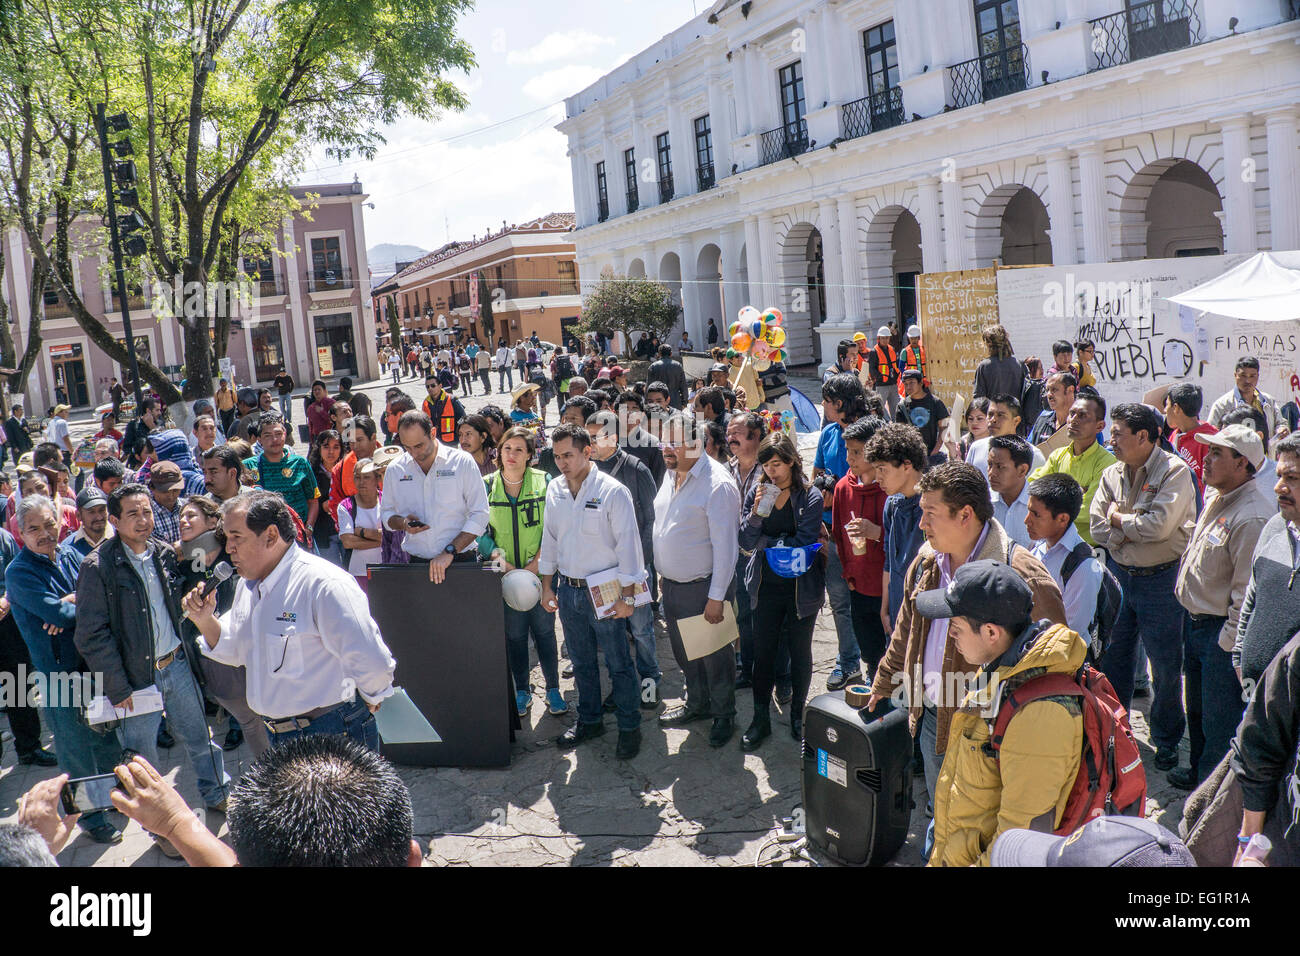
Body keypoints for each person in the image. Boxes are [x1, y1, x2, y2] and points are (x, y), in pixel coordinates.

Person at [866, 462, 1066, 858]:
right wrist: (885, 680)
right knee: (942, 809)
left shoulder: (1022, 576)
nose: (921, 524)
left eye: (930, 513)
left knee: (982, 827)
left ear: (966, 515)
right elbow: (906, 631)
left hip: (993, 735)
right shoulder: (927, 561)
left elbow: (1053, 665)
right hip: (931, 720)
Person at [184, 491, 397, 749]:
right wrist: (205, 620)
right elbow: (238, 650)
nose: (229, 548)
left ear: (271, 535)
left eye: (236, 537)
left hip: (331, 733)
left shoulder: (323, 584)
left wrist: (374, 695)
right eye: (227, 538)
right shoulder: (247, 587)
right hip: (277, 735)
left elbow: (372, 660)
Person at [75, 483, 231, 833]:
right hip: (135, 680)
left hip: (175, 665)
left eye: (147, 511)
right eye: (133, 514)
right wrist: (117, 686)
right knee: (143, 761)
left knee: (199, 737)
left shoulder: (161, 552)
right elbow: (91, 635)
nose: (144, 520)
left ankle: (218, 792)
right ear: (114, 520)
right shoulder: (98, 566)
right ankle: (157, 828)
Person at [919, 560, 1086, 867]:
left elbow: (1019, 843)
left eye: (955, 628)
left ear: (991, 632)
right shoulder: (1001, 668)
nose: (950, 636)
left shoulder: (1040, 718)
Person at [7, 495, 124, 844]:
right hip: (58, 675)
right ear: (20, 533)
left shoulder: (72, 553)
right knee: (75, 751)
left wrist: (71, 603)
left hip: (91, 663)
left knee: (105, 738)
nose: (44, 533)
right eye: (34, 529)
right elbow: (58, 615)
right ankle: (91, 819)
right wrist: (68, 607)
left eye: (49, 524)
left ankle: (114, 799)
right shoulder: (19, 573)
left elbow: (99, 597)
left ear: (60, 522)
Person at [1090, 402, 1197, 770]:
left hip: (1162, 581)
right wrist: (1126, 533)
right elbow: (1096, 527)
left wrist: (1118, 520)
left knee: (1165, 667)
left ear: (1143, 437)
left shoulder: (1174, 472)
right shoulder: (1112, 471)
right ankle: (1116, 734)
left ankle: (1166, 739)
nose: (1112, 440)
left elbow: (1159, 528)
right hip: (1120, 577)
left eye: (1117, 434)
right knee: (1114, 660)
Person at [1169, 424, 1275, 791]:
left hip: (1218, 635)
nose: (1207, 460)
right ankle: (1199, 774)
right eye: (1208, 452)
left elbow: (1245, 591)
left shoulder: (1253, 514)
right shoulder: (1219, 496)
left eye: (1217, 454)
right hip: (1195, 625)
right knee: (1196, 712)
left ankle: (1211, 797)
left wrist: (1228, 645)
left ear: (1243, 464)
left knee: (1218, 721)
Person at [538, 423, 646, 759]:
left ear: (587, 452)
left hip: (607, 591)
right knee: (582, 662)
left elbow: (629, 545)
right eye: (557, 457)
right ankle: (590, 719)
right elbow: (550, 538)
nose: (562, 463)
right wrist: (546, 585)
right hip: (568, 590)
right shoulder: (554, 489)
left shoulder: (612, 491)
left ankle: (630, 727)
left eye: (568, 455)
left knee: (618, 663)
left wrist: (628, 597)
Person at [653, 413, 741, 747]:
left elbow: (727, 548)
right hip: (673, 586)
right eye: (665, 441)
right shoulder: (673, 471)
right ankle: (697, 703)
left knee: (715, 657)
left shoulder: (716, 484)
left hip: (704, 588)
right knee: (686, 655)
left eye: (673, 442)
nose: (666, 448)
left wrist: (716, 597)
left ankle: (723, 715)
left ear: (697, 443)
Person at [738, 433, 826, 750]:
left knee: (800, 651)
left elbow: (803, 543)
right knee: (763, 653)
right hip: (765, 587)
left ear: (790, 461)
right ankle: (760, 718)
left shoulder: (809, 496)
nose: (771, 471)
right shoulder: (757, 491)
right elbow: (745, 541)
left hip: (801, 588)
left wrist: (768, 544)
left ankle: (798, 717)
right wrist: (758, 513)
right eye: (766, 464)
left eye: (777, 464)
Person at [478, 427, 566, 718]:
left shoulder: (545, 482)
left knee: (544, 632)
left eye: (519, 449)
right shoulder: (486, 485)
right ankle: (521, 690)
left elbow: (554, 527)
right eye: (507, 448)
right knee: (514, 636)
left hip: (541, 575)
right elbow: (479, 530)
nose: (511, 455)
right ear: (498, 452)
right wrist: (498, 559)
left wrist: (539, 562)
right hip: (504, 576)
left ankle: (553, 689)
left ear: (530, 455)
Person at [175, 494, 265, 755]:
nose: (183, 520)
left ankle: (242, 725)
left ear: (212, 521)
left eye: (191, 515)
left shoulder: (230, 549)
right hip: (204, 640)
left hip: (238, 637)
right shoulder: (182, 559)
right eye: (181, 516)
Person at [587, 411, 660, 705]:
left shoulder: (636, 469)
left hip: (635, 567)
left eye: (596, 437)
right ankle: (622, 685)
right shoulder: (586, 472)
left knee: (641, 630)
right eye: (587, 436)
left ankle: (650, 680)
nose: (589, 443)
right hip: (600, 570)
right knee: (612, 633)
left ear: (614, 437)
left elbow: (652, 520)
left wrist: (637, 563)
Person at [381, 410, 490, 584]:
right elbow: (386, 515)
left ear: (433, 433)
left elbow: (481, 514)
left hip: (460, 560)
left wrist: (449, 552)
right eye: (407, 447)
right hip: (417, 563)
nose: (413, 453)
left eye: (419, 446)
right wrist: (403, 524)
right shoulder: (395, 469)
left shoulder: (462, 462)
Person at [1233, 432, 1300, 684]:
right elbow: (1252, 598)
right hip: (1258, 698)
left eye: (1291, 478)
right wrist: (1240, 658)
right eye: (1279, 476)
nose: (1278, 487)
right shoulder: (1274, 528)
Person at [832, 417, 890, 682]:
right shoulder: (843, 488)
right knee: (868, 648)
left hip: (887, 588)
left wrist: (876, 532)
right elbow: (838, 537)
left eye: (857, 451)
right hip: (858, 585)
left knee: (889, 651)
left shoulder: (890, 490)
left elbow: (907, 541)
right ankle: (870, 679)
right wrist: (848, 574)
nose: (850, 458)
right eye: (848, 451)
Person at [0, 525, 57, 768]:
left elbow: (16, 573)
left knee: (18, 687)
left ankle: (29, 748)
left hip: (7, 626)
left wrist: (5, 598)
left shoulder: (3, 538)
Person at [1024, 473, 1104, 643]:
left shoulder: (1083, 567)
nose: (1027, 521)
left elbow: (1070, 633)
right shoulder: (1035, 548)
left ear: (1062, 519)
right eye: (1028, 511)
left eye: (1036, 515)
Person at [1028, 393, 1115, 547]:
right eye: (1072, 413)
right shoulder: (1057, 456)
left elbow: (1090, 510)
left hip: (1088, 548)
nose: (1073, 420)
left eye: (1082, 416)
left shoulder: (1106, 463)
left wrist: (1051, 503)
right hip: (1052, 544)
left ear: (1100, 426)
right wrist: (1077, 494)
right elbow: (1033, 489)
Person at [867, 423, 927, 633]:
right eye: (875, 470)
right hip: (895, 611)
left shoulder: (933, 507)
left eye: (882, 469)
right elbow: (889, 561)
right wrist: (885, 609)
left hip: (923, 616)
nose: (877, 478)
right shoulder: (892, 505)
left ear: (907, 465)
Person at [242, 413, 320, 533]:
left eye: (278, 434)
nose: (274, 440)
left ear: (285, 435)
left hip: (299, 533)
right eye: (268, 436)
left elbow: (313, 500)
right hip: (264, 535)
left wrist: (309, 528)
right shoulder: (248, 466)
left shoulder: (300, 463)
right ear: (259, 440)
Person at [965, 394, 1045, 477]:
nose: (993, 420)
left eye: (1000, 415)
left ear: (1016, 421)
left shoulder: (1033, 455)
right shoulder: (977, 448)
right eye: (990, 414)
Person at [336, 458, 385, 592]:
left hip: (385, 569)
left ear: (377, 479)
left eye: (367, 477)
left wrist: (363, 532)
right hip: (357, 572)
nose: (361, 482)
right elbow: (348, 542)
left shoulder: (387, 501)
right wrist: (382, 540)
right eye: (358, 477)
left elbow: (394, 535)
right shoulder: (346, 506)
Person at [1208, 356, 1281, 438]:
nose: (1248, 381)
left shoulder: (1268, 401)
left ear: (1258, 376)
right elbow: (1211, 434)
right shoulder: (1221, 405)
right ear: (1235, 375)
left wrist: (1282, 429)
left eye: (1252, 376)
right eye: (1243, 376)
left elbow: (1281, 423)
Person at [327, 414, 381, 520]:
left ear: (373, 437)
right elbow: (335, 505)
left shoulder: (393, 462)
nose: (355, 446)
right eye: (351, 442)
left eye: (360, 440)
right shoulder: (340, 469)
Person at [1163, 383, 1216, 486]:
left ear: (1176, 408)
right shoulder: (1175, 434)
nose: (1165, 410)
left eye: (1167, 404)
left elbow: (1211, 484)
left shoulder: (1208, 441)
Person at [987, 434, 1035, 549]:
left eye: (1000, 467)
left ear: (1022, 470)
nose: (991, 473)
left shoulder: (1041, 507)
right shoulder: (982, 502)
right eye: (990, 465)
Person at [896, 368, 949, 465]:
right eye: (906, 384)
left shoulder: (935, 403)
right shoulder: (902, 406)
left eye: (911, 383)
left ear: (921, 383)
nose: (908, 387)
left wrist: (935, 451)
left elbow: (944, 428)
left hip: (931, 456)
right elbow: (900, 433)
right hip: (911, 458)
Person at [308, 430, 343, 563]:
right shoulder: (312, 473)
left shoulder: (346, 470)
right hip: (324, 532)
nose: (331, 452)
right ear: (319, 449)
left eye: (336, 447)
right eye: (326, 447)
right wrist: (323, 505)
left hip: (346, 530)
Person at [971, 324, 1022, 401]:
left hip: (992, 412)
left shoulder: (984, 366)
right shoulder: (1018, 364)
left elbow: (979, 400)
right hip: (1015, 412)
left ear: (988, 344)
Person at [1028, 371, 1077, 447]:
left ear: (1070, 390)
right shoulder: (1042, 420)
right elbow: (1030, 450)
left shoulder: (1084, 424)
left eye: (1054, 390)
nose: (1049, 395)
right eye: (1047, 390)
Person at [147, 460, 186, 547]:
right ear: (152, 488)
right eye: (165, 491)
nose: (171, 496)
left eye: (175, 491)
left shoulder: (187, 508)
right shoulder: (146, 514)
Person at [422, 372, 467, 447]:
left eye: (433, 385)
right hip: (435, 442)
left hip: (451, 442)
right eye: (427, 387)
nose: (430, 388)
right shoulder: (426, 403)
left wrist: (457, 429)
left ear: (440, 386)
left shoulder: (452, 400)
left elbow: (463, 417)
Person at [68, 486, 113, 557]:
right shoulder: (69, 549)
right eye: (92, 512)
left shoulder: (124, 539)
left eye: (102, 510)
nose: (99, 517)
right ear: (78, 515)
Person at [864, 326, 900, 416]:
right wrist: (879, 377)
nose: (885, 340)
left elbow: (894, 364)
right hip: (881, 385)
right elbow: (872, 369)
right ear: (878, 338)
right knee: (880, 407)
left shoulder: (892, 349)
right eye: (883, 338)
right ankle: (886, 423)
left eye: (887, 338)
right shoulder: (874, 352)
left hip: (893, 383)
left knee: (896, 406)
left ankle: (896, 424)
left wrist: (895, 376)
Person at [648, 344, 688, 409]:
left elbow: (649, 387)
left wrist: (648, 404)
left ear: (659, 354)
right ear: (671, 353)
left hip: (657, 403)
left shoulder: (653, 366)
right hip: (675, 402)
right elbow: (684, 386)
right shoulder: (678, 366)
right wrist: (684, 402)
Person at [898, 324, 928, 389]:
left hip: (922, 380)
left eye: (915, 338)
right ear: (909, 338)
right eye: (912, 338)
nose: (914, 340)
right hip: (911, 382)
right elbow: (901, 367)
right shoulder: (905, 351)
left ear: (919, 338)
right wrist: (906, 379)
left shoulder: (924, 349)